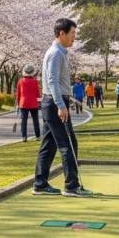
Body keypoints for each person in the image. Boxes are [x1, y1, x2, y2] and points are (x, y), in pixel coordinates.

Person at [33, 19, 93, 197]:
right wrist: (61, 105)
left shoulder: (60, 53)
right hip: (54, 103)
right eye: (72, 33)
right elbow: (52, 81)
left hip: (53, 101)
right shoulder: (56, 53)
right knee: (68, 143)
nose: (74, 37)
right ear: (62, 33)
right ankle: (71, 186)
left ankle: (40, 183)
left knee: (49, 144)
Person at [16, 64, 41, 142]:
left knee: (24, 121)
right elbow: (38, 94)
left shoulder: (20, 81)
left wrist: (17, 103)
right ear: (32, 72)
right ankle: (38, 136)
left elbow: (18, 94)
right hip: (33, 103)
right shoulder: (35, 81)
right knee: (35, 120)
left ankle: (24, 137)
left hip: (23, 103)